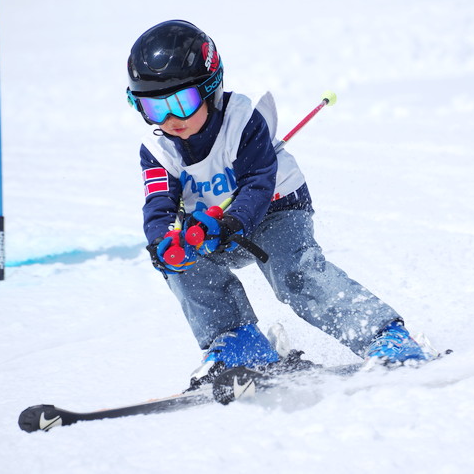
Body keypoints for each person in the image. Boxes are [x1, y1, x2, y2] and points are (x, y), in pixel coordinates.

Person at [126, 20, 429, 387]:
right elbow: (158, 202)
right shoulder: (157, 149)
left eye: (182, 103)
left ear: (210, 89)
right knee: (178, 261)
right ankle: (237, 341)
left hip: (274, 209)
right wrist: (163, 241)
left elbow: (257, 183)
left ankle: (383, 335)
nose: (171, 119)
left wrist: (233, 223)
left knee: (294, 275)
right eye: (153, 108)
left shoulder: (241, 121)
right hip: (210, 226)